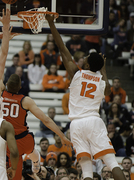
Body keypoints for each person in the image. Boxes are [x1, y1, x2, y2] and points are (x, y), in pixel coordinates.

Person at [46, 14, 125, 180]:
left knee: (87, 169)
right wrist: (103, 70)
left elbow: (62, 49)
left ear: (87, 65)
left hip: (76, 125)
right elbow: (108, 92)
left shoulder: (76, 74)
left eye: (85, 59)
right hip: (94, 121)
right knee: (112, 163)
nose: (82, 59)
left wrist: (51, 24)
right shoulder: (102, 82)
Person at [2, 73, 72, 180]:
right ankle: (36, 163)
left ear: (6, 84)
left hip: (5, 141)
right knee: (32, 150)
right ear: (20, 87)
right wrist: (62, 136)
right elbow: (46, 120)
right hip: (23, 139)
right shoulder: (25, 100)